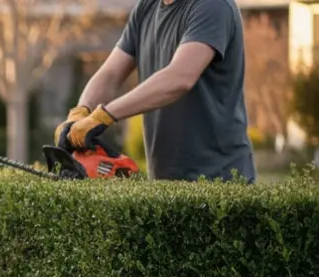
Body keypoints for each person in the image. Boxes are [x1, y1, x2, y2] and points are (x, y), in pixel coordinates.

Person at [56, 0, 256, 183]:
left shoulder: (212, 6)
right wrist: (81, 112)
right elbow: (110, 74)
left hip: (221, 182)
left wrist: (105, 116)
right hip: (166, 184)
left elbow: (180, 77)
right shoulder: (147, 8)